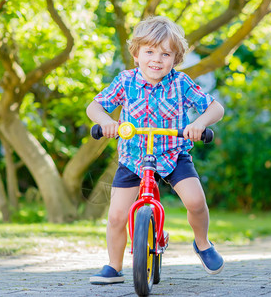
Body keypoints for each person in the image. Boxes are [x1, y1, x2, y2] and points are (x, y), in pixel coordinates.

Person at [86, 16, 225, 285]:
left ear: (175, 59)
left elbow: (215, 108)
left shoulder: (181, 83)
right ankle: (114, 267)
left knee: (196, 202)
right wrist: (106, 122)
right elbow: (95, 106)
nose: (156, 59)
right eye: (149, 51)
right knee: (116, 216)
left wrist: (198, 123)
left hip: (173, 154)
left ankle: (203, 243)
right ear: (136, 54)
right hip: (133, 156)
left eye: (165, 54)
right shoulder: (126, 81)